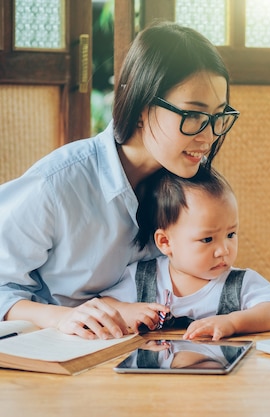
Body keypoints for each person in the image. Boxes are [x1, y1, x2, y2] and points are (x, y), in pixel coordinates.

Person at [0, 21, 239, 340]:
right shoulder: (58, 183)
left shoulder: (191, 184)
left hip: (157, 353)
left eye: (217, 117)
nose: (208, 136)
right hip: (60, 357)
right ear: (142, 107)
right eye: (192, 115)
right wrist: (63, 317)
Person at [100, 164, 270, 340]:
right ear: (165, 242)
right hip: (156, 373)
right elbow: (104, 304)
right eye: (207, 239)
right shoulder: (143, 277)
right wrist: (127, 310)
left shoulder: (240, 283)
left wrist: (232, 322)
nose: (224, 250)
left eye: (231, 234)